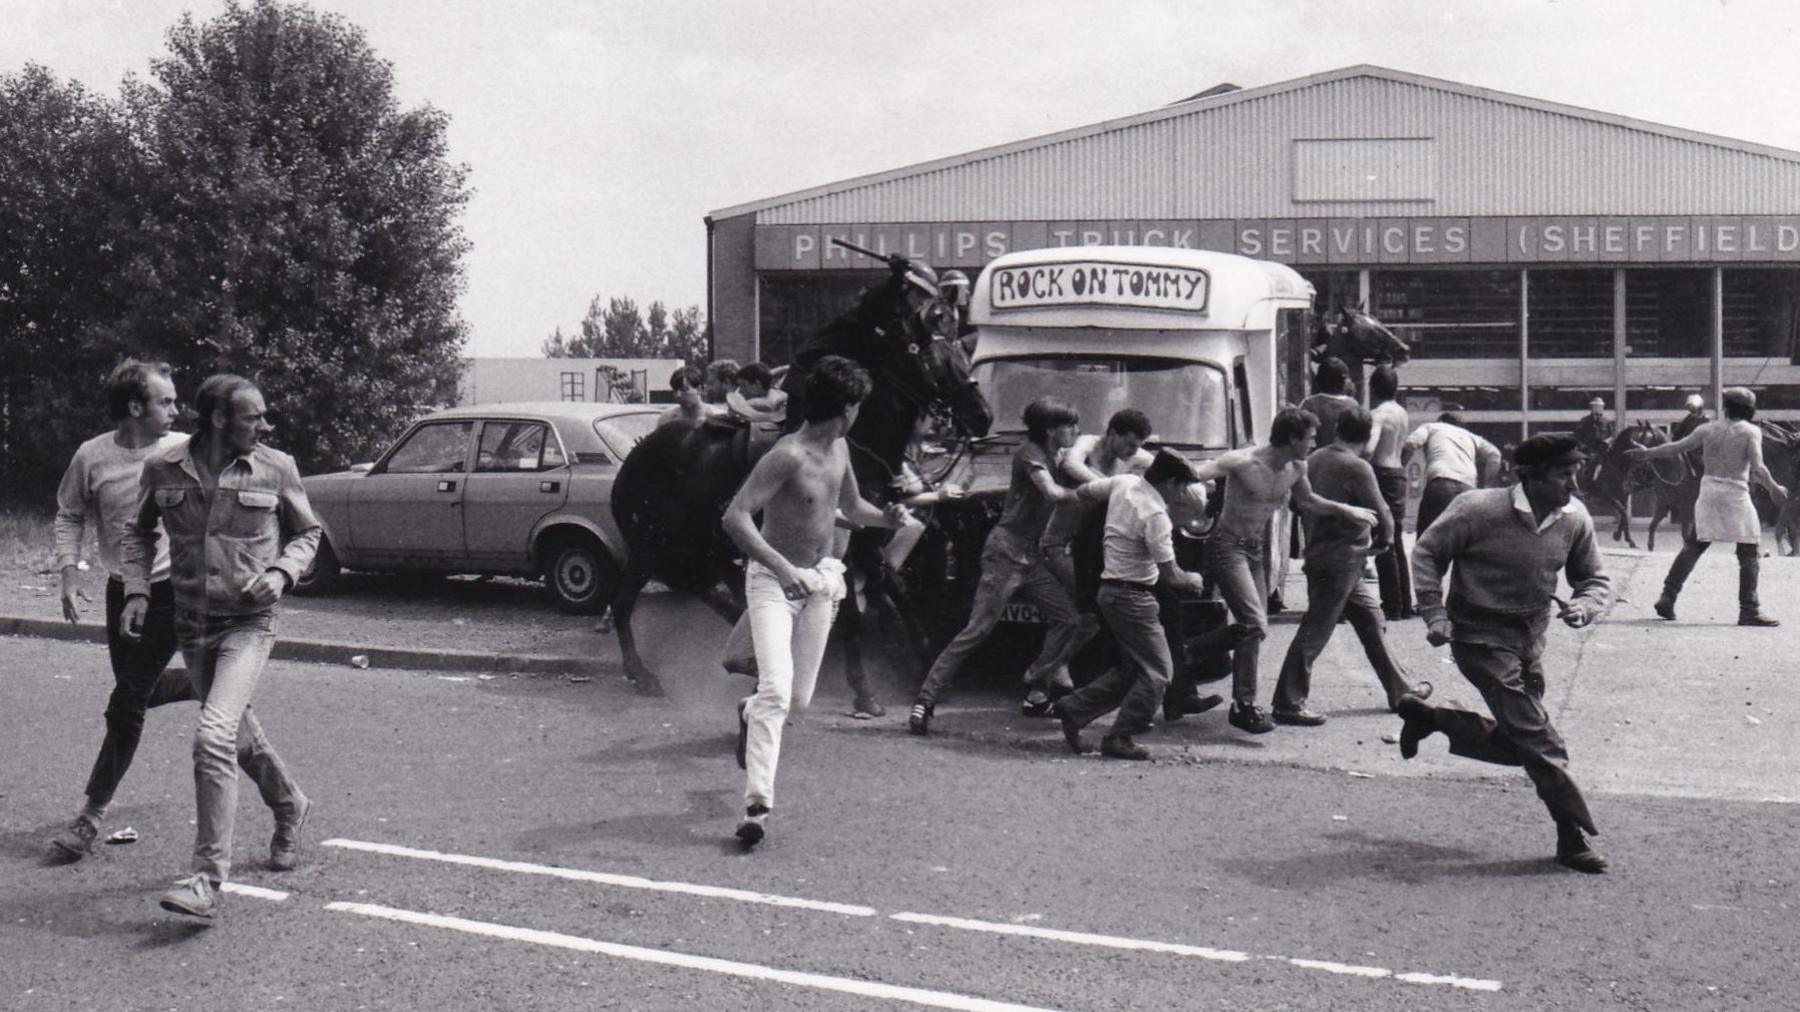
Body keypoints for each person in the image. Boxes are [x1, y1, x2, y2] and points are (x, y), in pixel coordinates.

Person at [121, 374, 320, 918]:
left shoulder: (276, 467)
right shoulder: (163, 469)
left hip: (249, 625)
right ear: (217, 419)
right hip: (192, 625)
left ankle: (207, 880)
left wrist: (281, 573)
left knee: (212, 736)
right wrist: (138, 590)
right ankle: (290, 805)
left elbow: (308, 533)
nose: (265, 425)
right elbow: (136, 533)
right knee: (237, 737)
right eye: (254, 416)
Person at [1401, 434, 1612, 873]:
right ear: (1530, 476)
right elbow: (1427, 552)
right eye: (1563, 475)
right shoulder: (1478, 509)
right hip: (1477, 637)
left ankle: (1432, 718)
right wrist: (1434, 612)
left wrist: (1585, 605)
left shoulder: (1574, 518)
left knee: (1522, 743)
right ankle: (1571, 835)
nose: (1573, 484)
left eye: (1574, 473)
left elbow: (1593, 579)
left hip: (1530, 639)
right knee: (1541, 739)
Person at [722, 355, 907, 846]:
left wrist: (887, 518)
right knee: (779, 692)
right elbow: (735, 517)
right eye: (859, 406)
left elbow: (850, 508)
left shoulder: (840, 448)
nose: (859, 414)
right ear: (846, 408)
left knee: (795, 701)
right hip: (772, 582)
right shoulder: (787, 455)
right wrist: (782, 569)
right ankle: (756, 806)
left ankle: (750, 710)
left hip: (823, 580)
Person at [48, 360, 194, 857]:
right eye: (167, 401)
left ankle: (89, 817)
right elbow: (69, 512)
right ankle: (203, 681)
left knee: (125, 703)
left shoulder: (184, 450)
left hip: (175, 590)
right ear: (136, 407)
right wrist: (69, 571)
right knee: (141, 693)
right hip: (122, 590)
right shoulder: (92, 456)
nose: (177, 409)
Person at [1189, 406, 1378, 734]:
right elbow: (1194, 475)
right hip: (1226, 546)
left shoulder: (1296, 466)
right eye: (1310, 438)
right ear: (1292, 437)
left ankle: (1190, 656)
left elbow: (1308, 501)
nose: (1314, 444)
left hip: (1255, 550)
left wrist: (1346, 510)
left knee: (1254, 630)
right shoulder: (1243, 461)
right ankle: (1242, 703)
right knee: (1253, 623)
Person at [908, 397, 1086, 735]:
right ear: (1051, 431)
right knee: (978, 629)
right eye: (1070, 426)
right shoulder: (1030, 452)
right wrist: (1093, 491)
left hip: (1030, 557)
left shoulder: (1056, 454)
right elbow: (1049, 493)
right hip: (1005, 553)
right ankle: (925, 700)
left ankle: (1036, 681)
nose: (1077, 431)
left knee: (1068, 620)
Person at [1271, 406, 1430, 725]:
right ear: (1368, 435)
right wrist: (1384, 542)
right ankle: (1288, 701)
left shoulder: (1312, 460)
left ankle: (1401, 690)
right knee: (1316, 630)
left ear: (1338, 428)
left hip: (1328, 557)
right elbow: (1381, 510)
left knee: (1371, 622)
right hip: (1341, 560)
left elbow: (1297, 503)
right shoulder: (1357, 467)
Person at [1053, 450, 1211, 760]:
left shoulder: (1124, 483)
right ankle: (1121, 735)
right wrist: (1192, 578)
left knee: (1130, 670)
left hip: (1109, 590)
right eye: (1180, 487)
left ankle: (1074, 708)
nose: (1181, 494)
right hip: (1134, 597)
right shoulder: (1155, 516)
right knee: (1159, 672)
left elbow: (1083, 493)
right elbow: (1172, 576)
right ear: (1167, 483)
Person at [1626, 387, 1788, 626]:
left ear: (1726, 407)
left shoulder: (1706, 429)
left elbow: (1676, 447)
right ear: (1750, 410)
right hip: (1736, 492)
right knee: (1749, 550)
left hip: (1709, 489)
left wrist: (1647, 452)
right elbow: (1759, 468)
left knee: (1694, 545)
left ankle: (1667, 597)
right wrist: (1774, 487)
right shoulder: (1751, 431)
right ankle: (1749, 608)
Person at [1032, 409, 1155, 713]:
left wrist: (1196, 480)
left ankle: (1050, 675)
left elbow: (1161, 465)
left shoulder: (1132, 458)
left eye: (1136, 447)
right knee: (1082, 614)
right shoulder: (1088, 443)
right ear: (1111, 433)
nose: (1131, 452)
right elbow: (1071, 464)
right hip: (1055, 544)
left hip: (1085, 548)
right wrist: (1112, 486)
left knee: (1085, 616)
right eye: (1127, 444)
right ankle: (1042, 677)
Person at [1403, 410, 1503, 533]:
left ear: (1440, 421)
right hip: (1468, 487)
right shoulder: (1471, 436)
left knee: (1428, 534)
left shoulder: (1432, 427)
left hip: (1441, 482)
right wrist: (1488, 485)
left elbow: (1411, 443)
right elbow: (1495, 454)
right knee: (1462, 536)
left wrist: (1401, 467)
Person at [1366, 365, 1414, 619]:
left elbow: (1369, 448)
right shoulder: (1401, 412)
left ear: (1372, 388)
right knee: (1395, 538)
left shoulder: (1377, 414)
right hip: (1398, 473)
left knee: (1384, 538)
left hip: (1381, 473)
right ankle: (1404, 603)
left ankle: (1392, 604)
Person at [1300, 357, 1359, 446]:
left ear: (1318, 380)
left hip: (1316, 457)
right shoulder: (1353, 405)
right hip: (1345, 456)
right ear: (1344, 381)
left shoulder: (1309, 404)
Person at [657, 365, 722, 428]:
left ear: (699, 389)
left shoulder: (717, 418)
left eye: (684, 390)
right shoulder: (667, 420)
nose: (678, 395)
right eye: (675, 390)